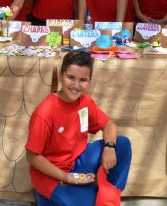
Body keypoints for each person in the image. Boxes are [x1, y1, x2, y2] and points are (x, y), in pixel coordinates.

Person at [26, 50, 132, 206]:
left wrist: (109, 146)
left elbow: (109, 125)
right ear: (61, 76)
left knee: (121, 144)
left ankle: (108, 192)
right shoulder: (44, 113)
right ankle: (49, 197)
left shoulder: (85, 102)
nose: (76, 86)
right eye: (71, 78)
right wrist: (65, 177)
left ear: (89, 81)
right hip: (52, 174)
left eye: (83, 80)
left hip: (77, 161)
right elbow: (32, 156)